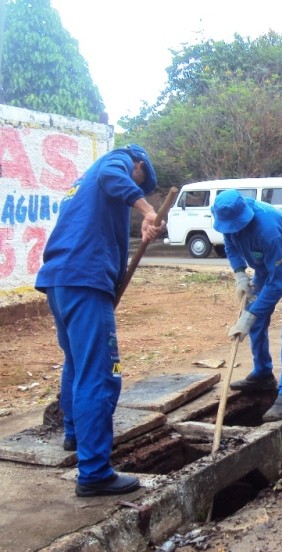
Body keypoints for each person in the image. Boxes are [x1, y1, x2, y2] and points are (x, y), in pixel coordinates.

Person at [35, 144, 163, 496]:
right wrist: (148, 209)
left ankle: (74, 435)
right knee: (100, 374)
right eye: (141, 178)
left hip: (61, 280)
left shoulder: (84, 184)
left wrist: (144, 227)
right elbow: (114, 177)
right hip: (84, 279)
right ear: (138, 164)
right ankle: (93, 473)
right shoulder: (114, 163)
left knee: (76, 363)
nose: (136, 183)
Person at [211, 189, 282, 422]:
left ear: (245, 215)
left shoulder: (268, 230)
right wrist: (239, 273)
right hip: (266, 260)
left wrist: (249, 315)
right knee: (255, 316)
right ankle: (262, 373)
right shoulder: (227, 220)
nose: (232, 229)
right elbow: (230, 243)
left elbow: (278, 282)